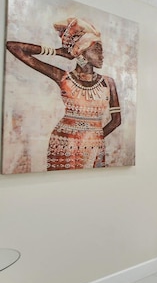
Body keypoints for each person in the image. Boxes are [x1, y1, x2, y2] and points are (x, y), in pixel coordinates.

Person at [6, 17, 121, 170]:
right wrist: (57, 52)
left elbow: (116, 121)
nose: (102, 54)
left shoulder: (108, 83)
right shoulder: (63, 77)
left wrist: (94, 138)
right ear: (82, 51)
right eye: (97, 48)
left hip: (93, 145)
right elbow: (13, 47)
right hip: (63, 143)